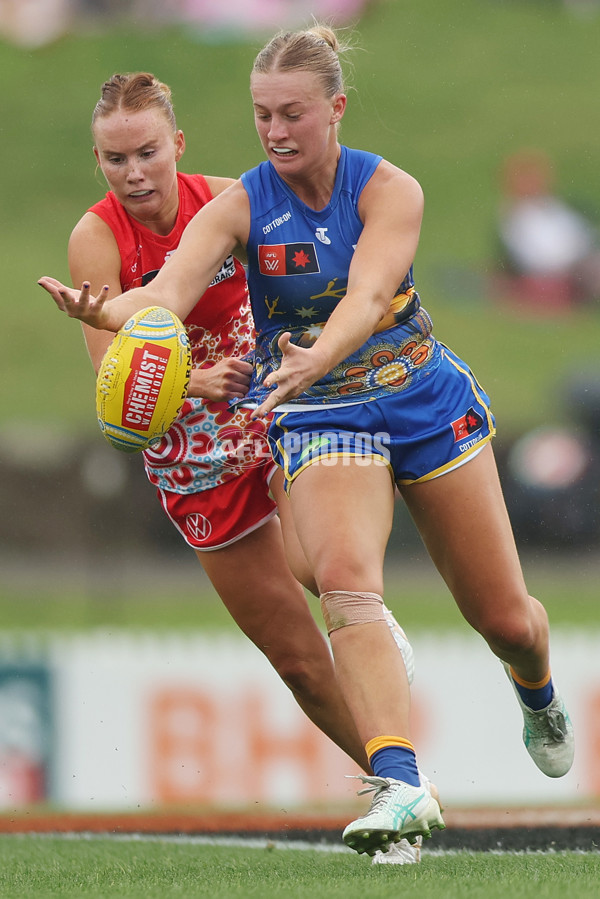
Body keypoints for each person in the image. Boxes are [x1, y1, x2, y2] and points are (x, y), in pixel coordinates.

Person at [39, 29, 574, 858]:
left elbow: (367, 295)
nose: (275, 130)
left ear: (335, 109)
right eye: (261, 115)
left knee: (506, 618)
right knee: (341, 585)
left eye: (292, 113)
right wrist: (105, 312)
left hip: (413, 392)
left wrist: (319, 349)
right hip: (315, 409)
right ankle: (398, 780)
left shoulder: (390, 187)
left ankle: (536, 689)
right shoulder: (237, 206)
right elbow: (164, 297)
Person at [48, 70, 425, 864]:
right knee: (295, 659)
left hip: (270, 413)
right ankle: (397, 797)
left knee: (325, 566)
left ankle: (378, 655)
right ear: (98, 162)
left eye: (147, 152)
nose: (135, 173)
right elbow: (115, 390)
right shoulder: (98, 237)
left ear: (176, 146)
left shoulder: (230, 200)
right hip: (193, 463)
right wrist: (189, 380)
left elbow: (293, 292)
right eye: (115, 160)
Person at [494, 148, 600, 311]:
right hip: (562, 268)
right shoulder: (516, 216)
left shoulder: (553, 206)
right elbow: (533, 255)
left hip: (583, 257)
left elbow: (581, 232)